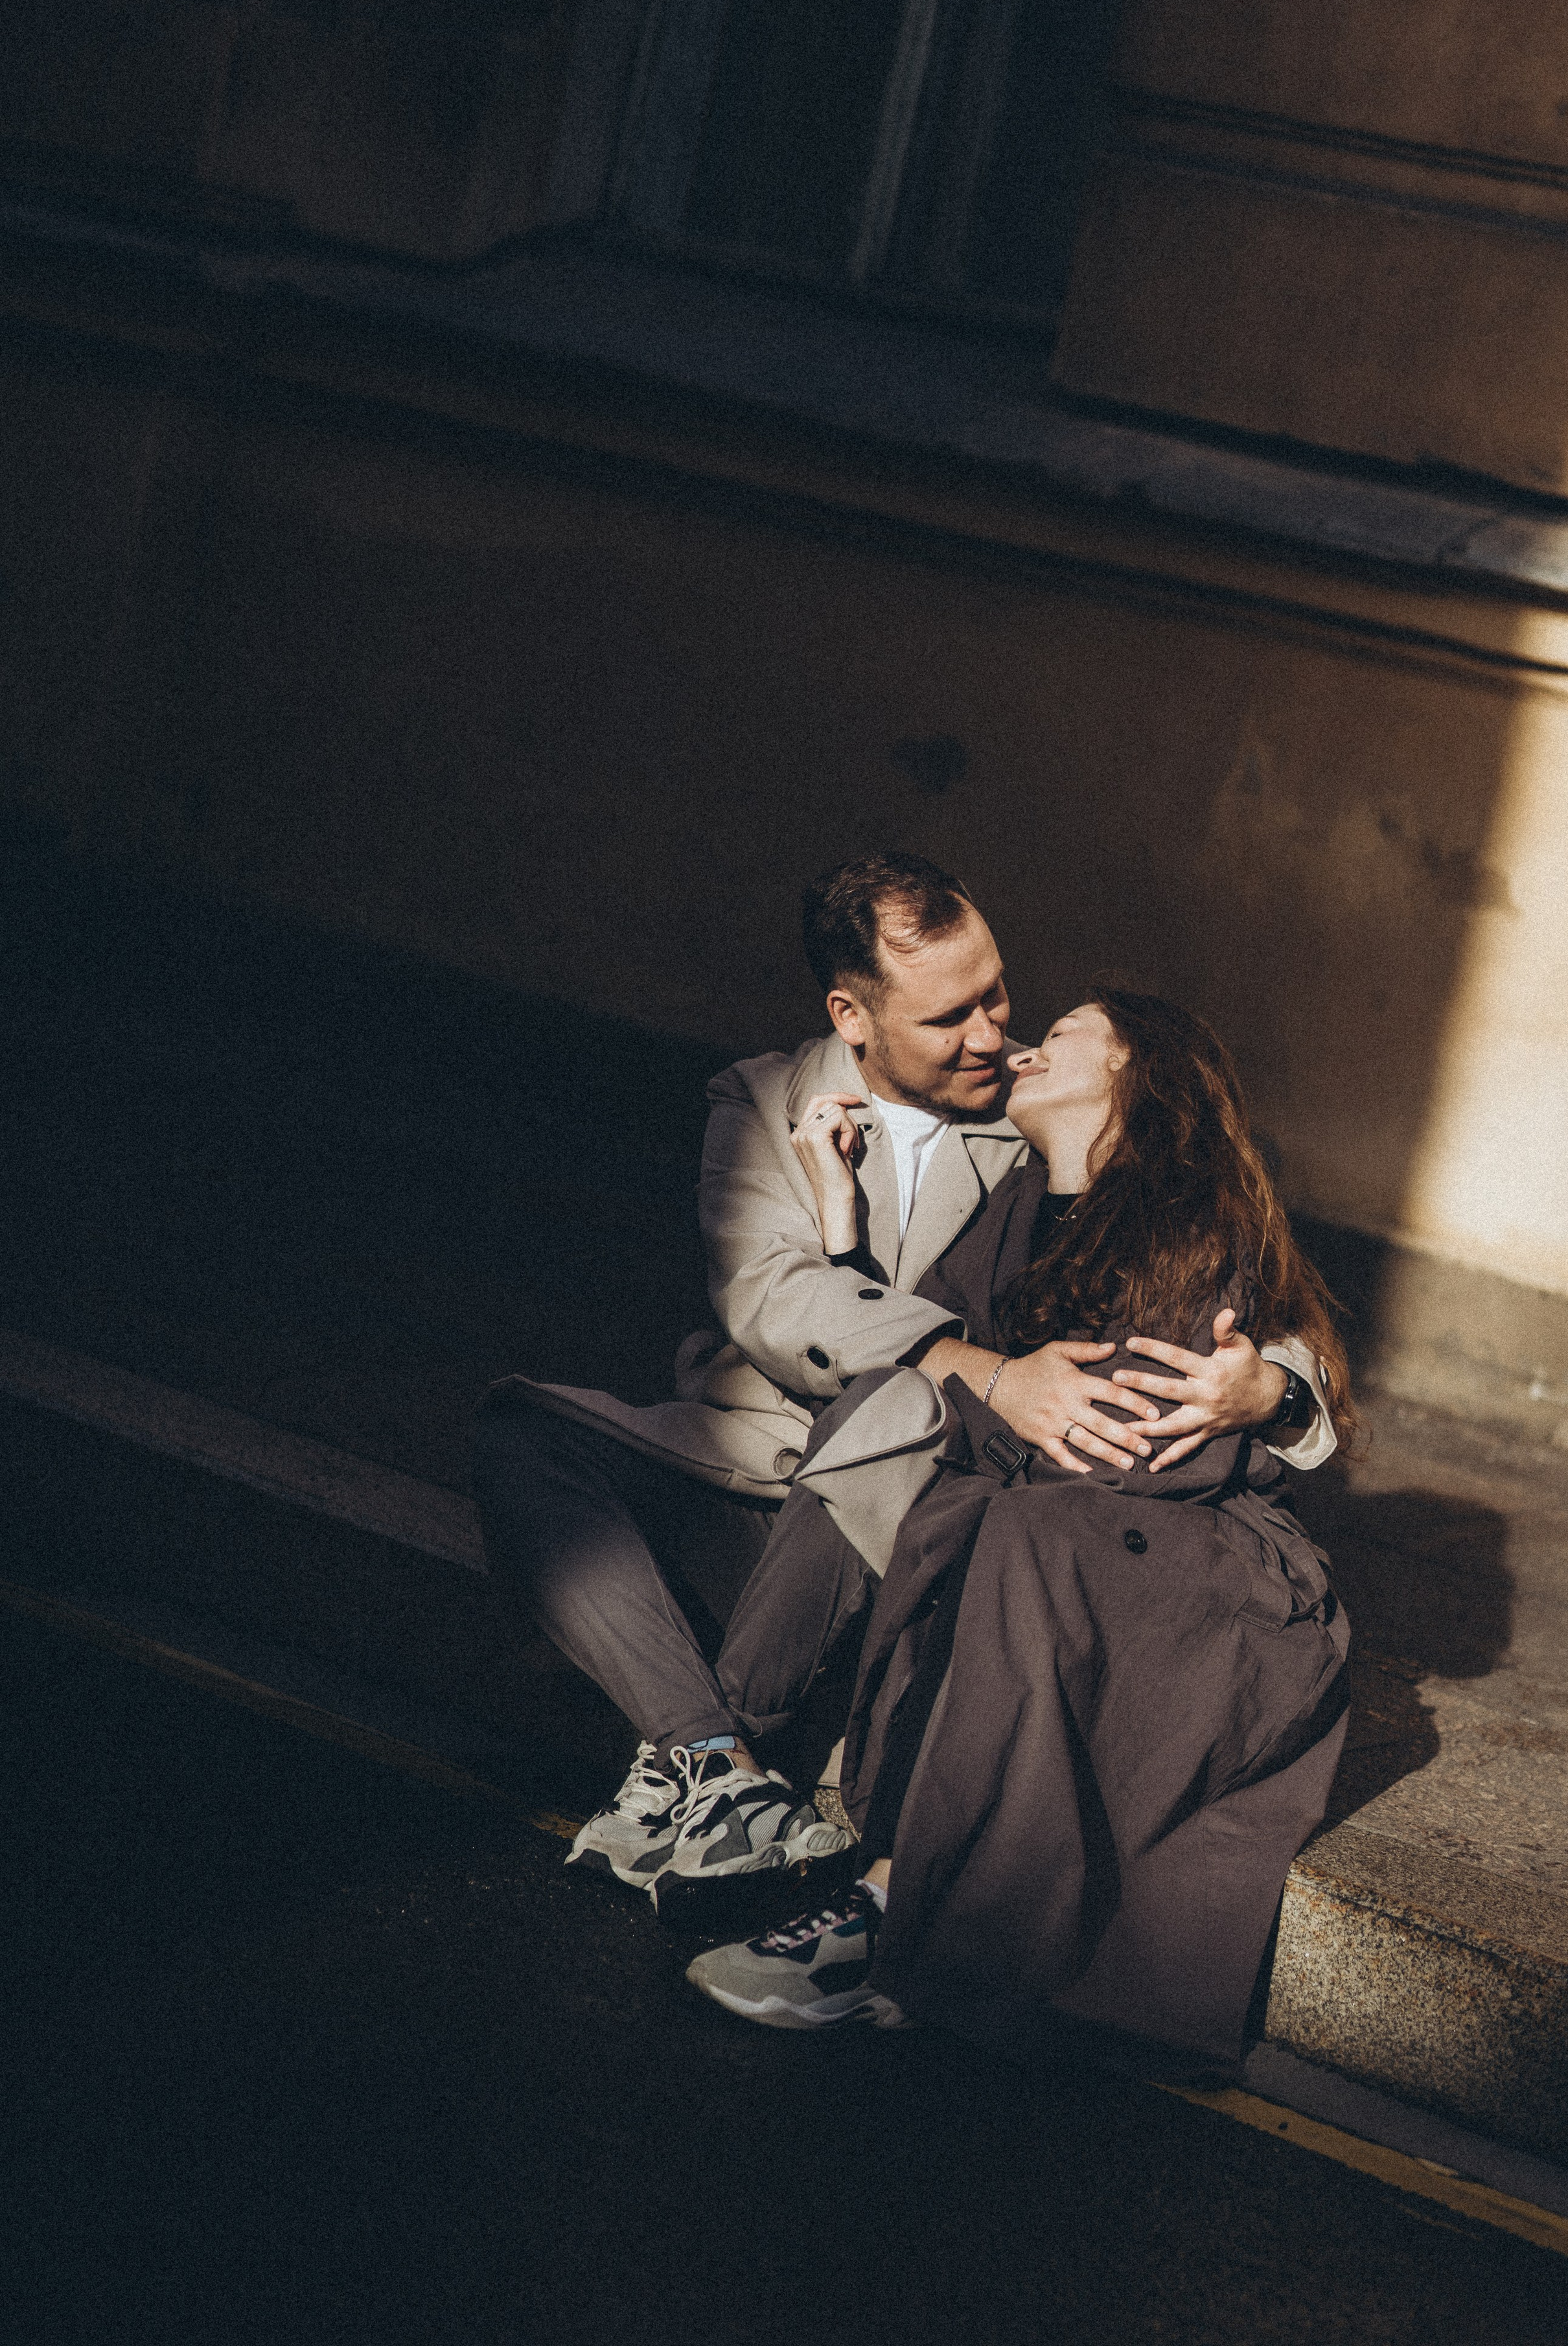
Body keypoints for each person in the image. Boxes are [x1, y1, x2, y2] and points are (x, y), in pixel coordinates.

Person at [472, 858, 1337, 1903]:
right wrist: (982, 1368)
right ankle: (718, 1765)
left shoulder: (1040, 1105)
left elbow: (1228, 1262)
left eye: (998, 995)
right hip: (760, 1475)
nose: (992, 1035)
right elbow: (772, 1301)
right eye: (949, 1018)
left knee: (893, 1415)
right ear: (853, 1014)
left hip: (905, 1512)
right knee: (520, 1433)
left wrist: (1274, 1391)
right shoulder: (760, 1102)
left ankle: (701, 1763)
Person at [686, 989, 1354, 2066]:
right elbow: (924, 1360)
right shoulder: (1017, 1204)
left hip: (1193, 1561)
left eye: (1070, 1035)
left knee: (1013, 1533)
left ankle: (896, 1904)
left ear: (1139, 1075)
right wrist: (846, 1227)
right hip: (1071, 1532)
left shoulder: (1188, 1215)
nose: (1032, 1047)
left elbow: (1131, 1446)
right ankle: (729, 1756)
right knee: (900, 1439)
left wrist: (1267, 1392)